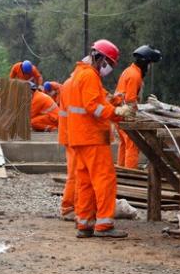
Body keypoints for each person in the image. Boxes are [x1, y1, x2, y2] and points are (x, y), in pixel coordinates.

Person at [64, 39, 136, 238]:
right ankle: (104, 225)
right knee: (104, 180)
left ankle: (84, 224)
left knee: (85, 182)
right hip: (92, 137)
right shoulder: (89, 76)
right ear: (101, 59)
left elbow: (95, 99)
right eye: (110, 64)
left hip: (80, 138)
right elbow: (93, 106)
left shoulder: (80, 74)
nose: (109, 68)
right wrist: (117, 112)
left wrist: (112, 101)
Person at [114, 45, 163, 168]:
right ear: (145, 62)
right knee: (132, 145)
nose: (149, 67)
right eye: (150, 63)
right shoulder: (134, 76)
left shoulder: (128, 71)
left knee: (124, 144)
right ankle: (130, 174)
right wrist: (135, 118)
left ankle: (122, 172)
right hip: (125, 116)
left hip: (118, 114)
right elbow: (130, 101)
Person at [55, 76, 77, 221]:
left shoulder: (68, 83)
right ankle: (68, 207)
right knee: (75, 173)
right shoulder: (78, 83)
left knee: (75, 172)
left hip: (69, 133)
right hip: (74, 134)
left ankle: (72, 206)